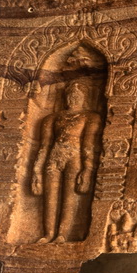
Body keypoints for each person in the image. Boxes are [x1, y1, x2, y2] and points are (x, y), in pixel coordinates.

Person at [31, 78, 102, 243]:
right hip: (54, 156)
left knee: (70, 196)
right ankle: (48, 233)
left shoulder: (89, 117)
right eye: (70, 95)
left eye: (77, 95)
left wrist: (87, 168)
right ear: (65, 97)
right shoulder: (51, 118)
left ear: (84, 98)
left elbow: (88, 144)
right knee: (50, 196)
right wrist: (36, 170)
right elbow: (45, 145)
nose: (73, 99)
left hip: (74, 156)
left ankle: (63, 234)